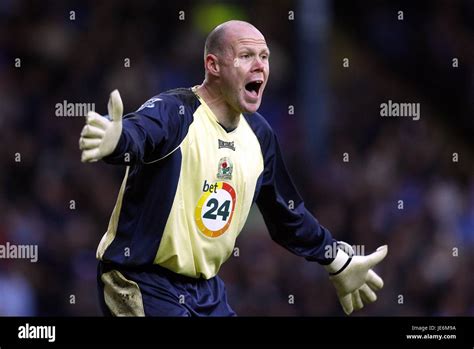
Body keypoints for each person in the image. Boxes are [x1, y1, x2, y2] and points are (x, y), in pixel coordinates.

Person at [78, 20, 388, 316]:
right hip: (140, 280)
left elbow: (287, 214)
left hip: (206, 292)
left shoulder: (260, 135)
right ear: (213, 66)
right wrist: (117, 140)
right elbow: (138, 133)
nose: (260, 66)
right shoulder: (175, 112)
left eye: (264, 57)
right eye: (246, 56)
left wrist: (335, 258)